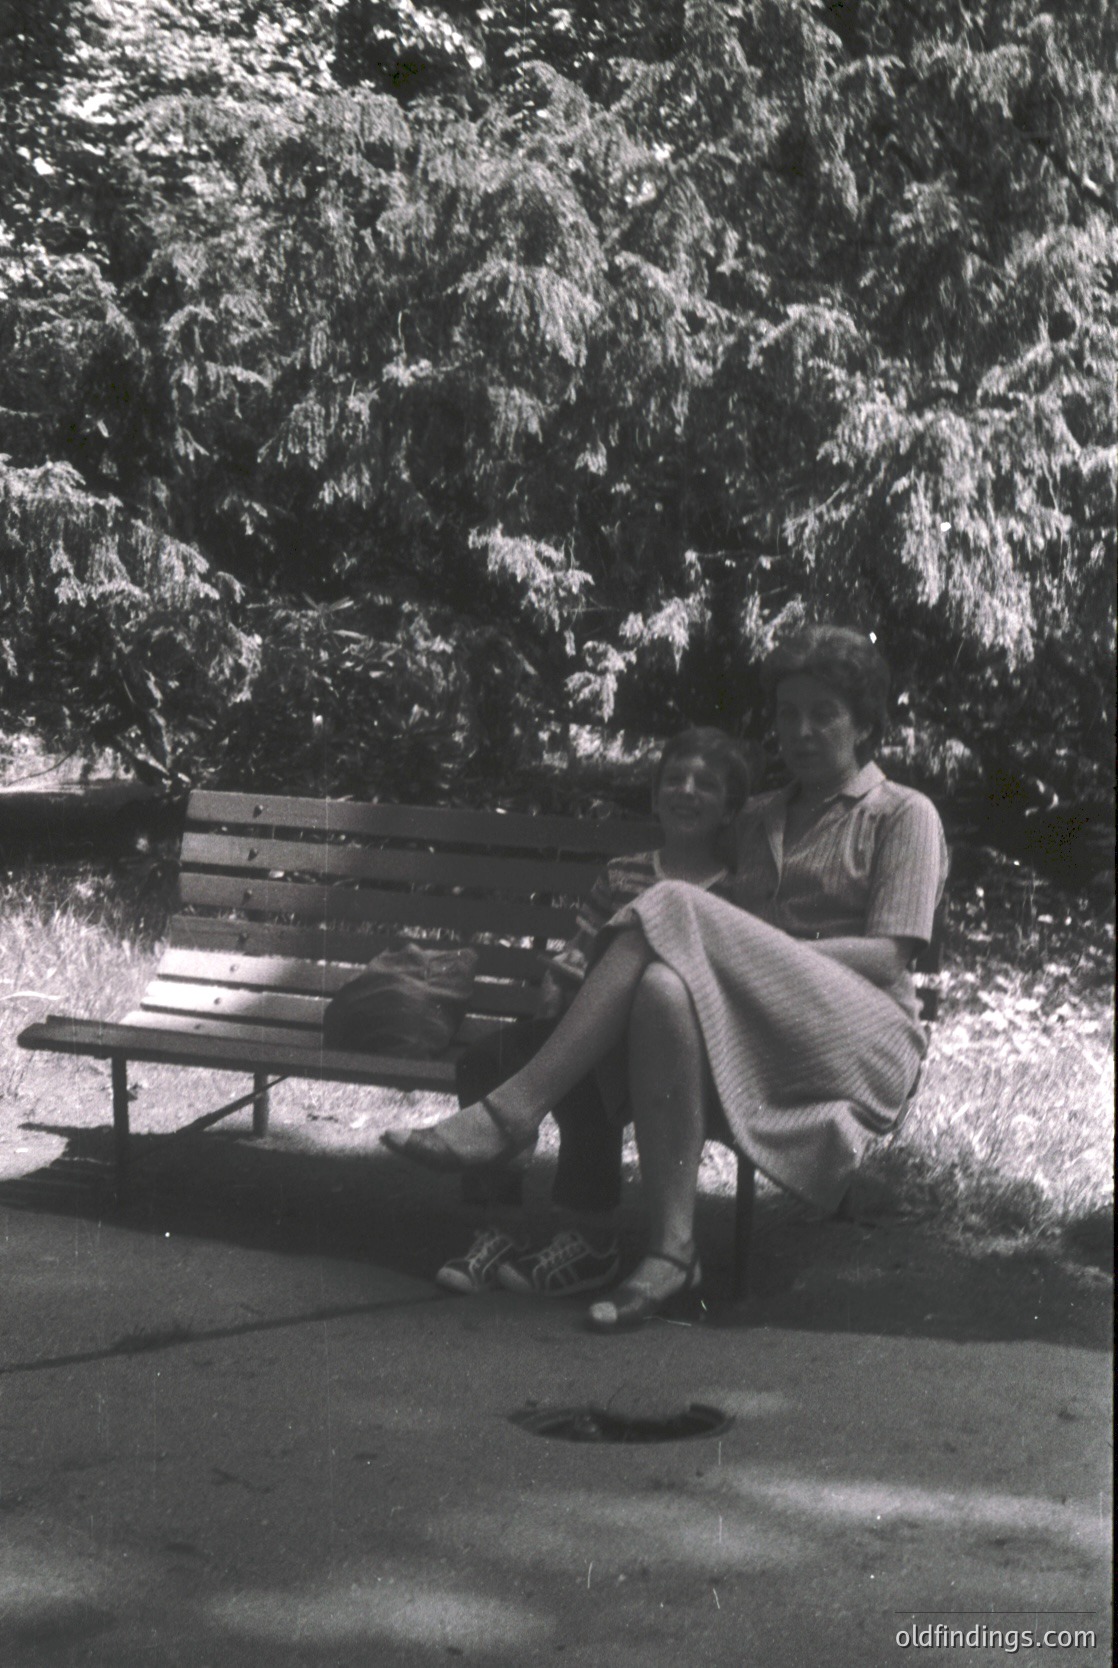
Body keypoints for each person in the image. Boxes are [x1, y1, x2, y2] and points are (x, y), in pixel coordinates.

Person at [382, 625, 949, 1332]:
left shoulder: (904, 815)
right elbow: (682, 876)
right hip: (755, 1022)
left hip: (862, 1035)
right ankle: (671, 1252)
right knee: (660, 989)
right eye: (786, 713)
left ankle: (510, 1113)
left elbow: (889, 958)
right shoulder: (759, 817)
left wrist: (749, 949)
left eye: (823, 713)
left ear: (865, 724)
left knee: (677, 907)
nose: (800, 731)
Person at [403, 728, 752, 1298]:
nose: (686, 792)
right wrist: (562, 972)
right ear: (656, 794)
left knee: (588, 1085)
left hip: (667, 1048)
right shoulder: (623, 874)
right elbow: (580, 948)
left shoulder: (733, 891)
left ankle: (589, 1238)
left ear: (729, 809)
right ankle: (500, 1227)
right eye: (674, 780)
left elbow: (719, 986)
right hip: (585, 1023)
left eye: (706, 786)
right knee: (485, 1061)